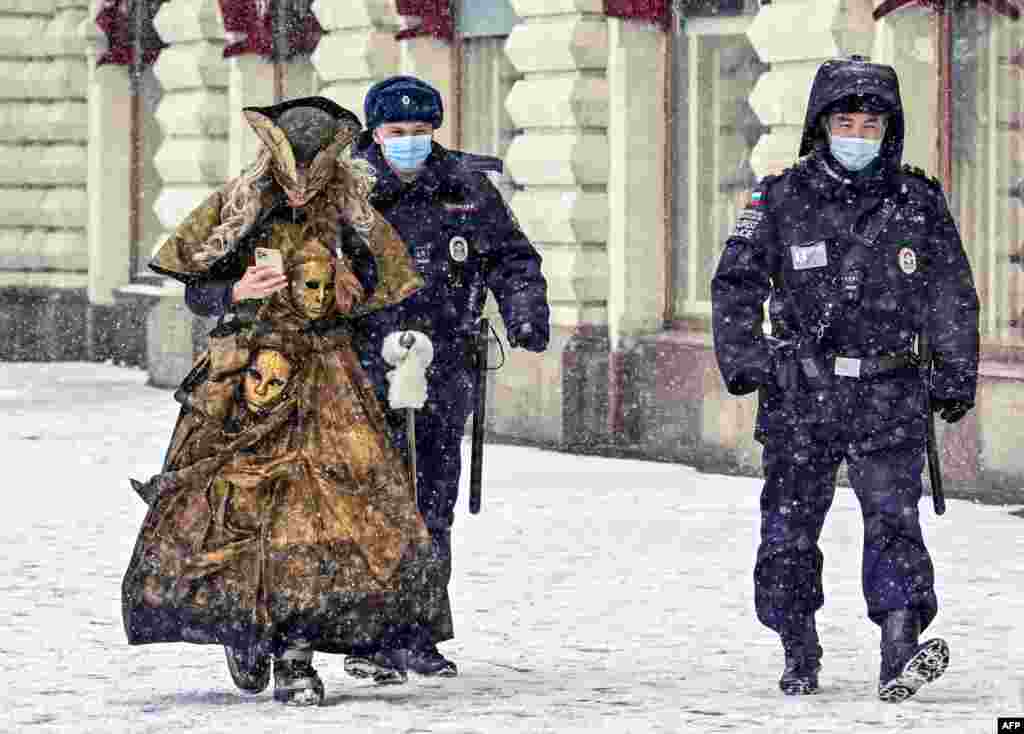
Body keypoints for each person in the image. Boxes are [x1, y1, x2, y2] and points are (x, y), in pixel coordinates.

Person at [122, 96, 434, 706]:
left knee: (318, 513)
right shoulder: (241, 201)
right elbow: (193, 286)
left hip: (327, 375)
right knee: (236, 505)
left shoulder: (352, 212)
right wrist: (235, 288)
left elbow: (389, 283)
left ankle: (296, 650)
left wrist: (351, 295)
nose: (303, 183)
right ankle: (244, 624)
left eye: (318, 166)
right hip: (246, 372)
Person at [710, 56, 979, 703]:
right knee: (790, 524)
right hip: (804, 391)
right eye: (845, 121)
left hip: (889, 389)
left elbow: (950, 291)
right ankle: (797, 643)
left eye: (871, 122)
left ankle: (899, 644)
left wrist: (955, 369)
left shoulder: (917, 201)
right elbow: (736, 285)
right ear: (821, 125)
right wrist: (749, 361)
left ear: (891, 129)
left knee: (894, 520)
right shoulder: (780, 197)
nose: (858, 133)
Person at [345, 75, 551, 678]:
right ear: (374, 134)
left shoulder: (465, 188)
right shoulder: (346, 192)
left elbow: (513, 257)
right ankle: (366, 634)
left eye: (419, 131)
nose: (408, 142)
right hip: (360, 368)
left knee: (433, 504)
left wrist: (524, 310)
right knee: (371, 504)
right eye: (395, 132)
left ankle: (420, 632)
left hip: (446, 363)